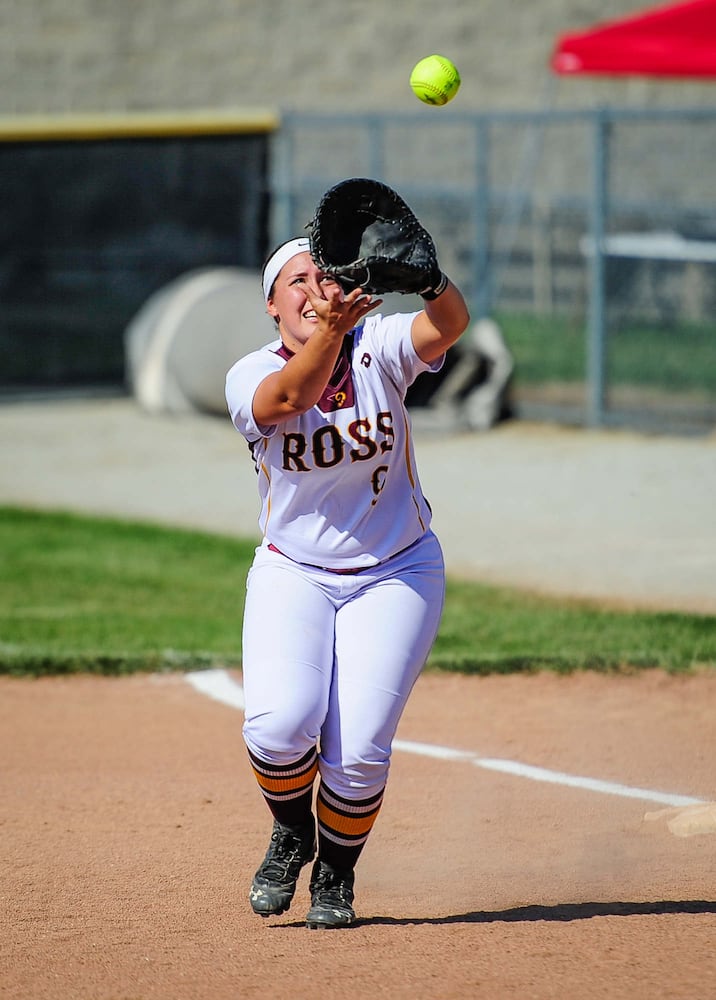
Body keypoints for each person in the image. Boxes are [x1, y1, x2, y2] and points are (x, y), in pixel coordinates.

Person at [224, 219, 470, 929]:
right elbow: (289, 401)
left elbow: (449, 323)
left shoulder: (381, 346)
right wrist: (332, 329)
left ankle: (335, 874)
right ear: (272, 305)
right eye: (295, 281)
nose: (312, 289)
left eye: (323, 276)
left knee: (358, 752)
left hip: (397, 571)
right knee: (278, 728)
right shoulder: (251, 373)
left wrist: (430, 282)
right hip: (293, 572)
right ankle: (292, 830)